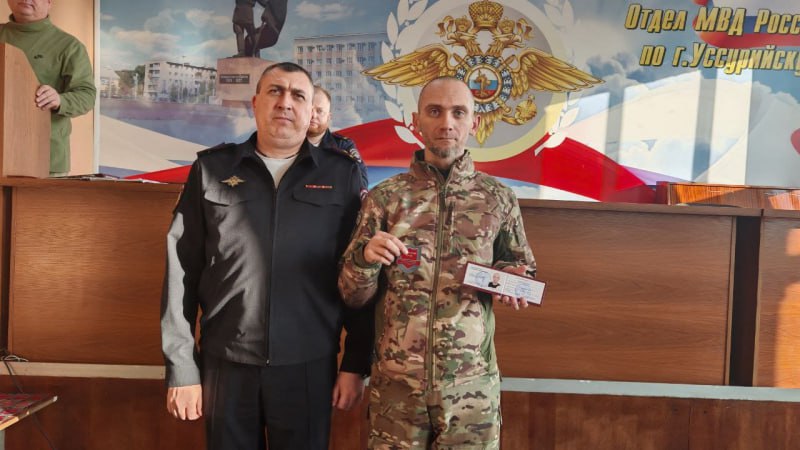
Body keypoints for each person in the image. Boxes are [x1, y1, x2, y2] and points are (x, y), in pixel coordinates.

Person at [161, 62, 372, 450]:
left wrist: (356, 363)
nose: (285, 103)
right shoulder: (211, 169)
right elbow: (181, 271)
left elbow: (358, 273)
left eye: (298, 95)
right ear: (255, 103)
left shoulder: (341, 175)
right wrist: (182, 366)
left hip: (309, 363)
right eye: (275, 91)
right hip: (227, 361)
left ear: (311, 111)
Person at [338, 76, 536, 449]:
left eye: (458, 112)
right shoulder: (386, 198)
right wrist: (365, 260)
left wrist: (513, 279)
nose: (446, 123)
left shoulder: (498, 198)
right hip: (396, 387)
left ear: (474, 123)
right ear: (416, 122)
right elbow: (352, 295)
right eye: (435, 111)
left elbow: (522, 270)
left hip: (471, 387)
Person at [0, 0, 96, 176]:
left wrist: (60, 100)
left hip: (45, 158)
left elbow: (87, 96)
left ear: (49, 2)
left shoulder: (69, 46)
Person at [307, 85, 368, 189]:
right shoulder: (286, 144)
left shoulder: (343, 146)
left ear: (328, 117)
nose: (313, 115)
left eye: (319, 111)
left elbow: (360, 185)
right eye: (309, 110)